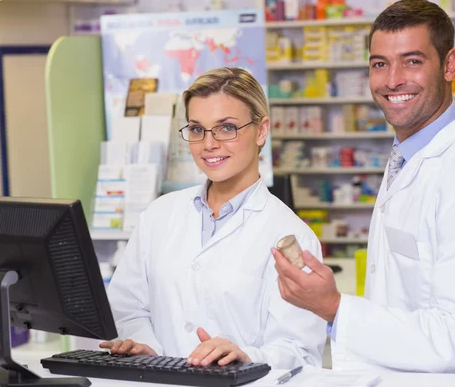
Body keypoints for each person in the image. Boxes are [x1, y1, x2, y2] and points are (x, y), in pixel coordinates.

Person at [272, 0, 455, 375]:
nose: (392, 80)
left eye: (412, 61)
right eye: (380, 64)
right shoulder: (409, 156)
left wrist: (334, 307)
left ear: (449, 65)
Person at [100, 67, 327, 369]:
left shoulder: (290, 235)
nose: (209, 144)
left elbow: (300, 351)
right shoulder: (159, 215)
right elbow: (126, 308)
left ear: (261, 130)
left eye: (227, 128)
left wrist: (248, 357)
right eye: (196, 129)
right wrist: (147, 346)